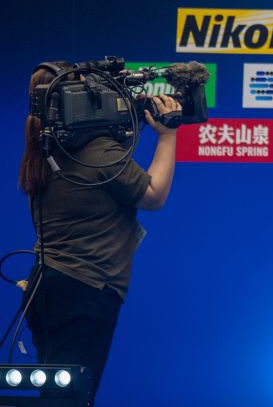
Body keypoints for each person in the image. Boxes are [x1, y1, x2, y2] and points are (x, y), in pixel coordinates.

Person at [17, 62, 181, 406]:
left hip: (47, 287)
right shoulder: (97, 153)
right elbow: (154, 196)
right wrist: (168, 136)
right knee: (71, 399)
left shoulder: (43, 151)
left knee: (59, 397)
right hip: (85, 291)